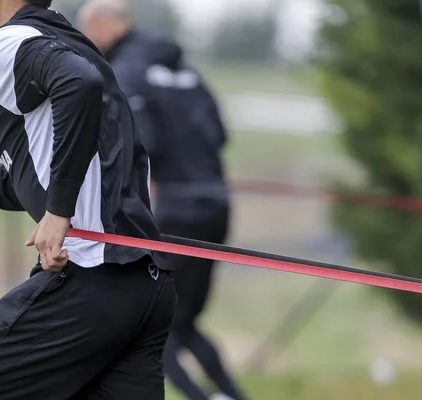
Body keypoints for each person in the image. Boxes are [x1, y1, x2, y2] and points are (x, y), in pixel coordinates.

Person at [0, 1, 176, 399]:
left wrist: (58, 213)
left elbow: (79, 84)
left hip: (89, 279)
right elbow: (48, 175)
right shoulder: (68, 40)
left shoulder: (6, 42)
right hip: (147, 288)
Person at [79, 2, 248, 400]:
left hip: (176, 210)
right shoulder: (187, 71)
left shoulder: (127, 73)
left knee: (152, 327)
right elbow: (220, 134)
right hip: (217, 206)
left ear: (103, 27)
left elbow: (140, 144)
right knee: (184, 323)